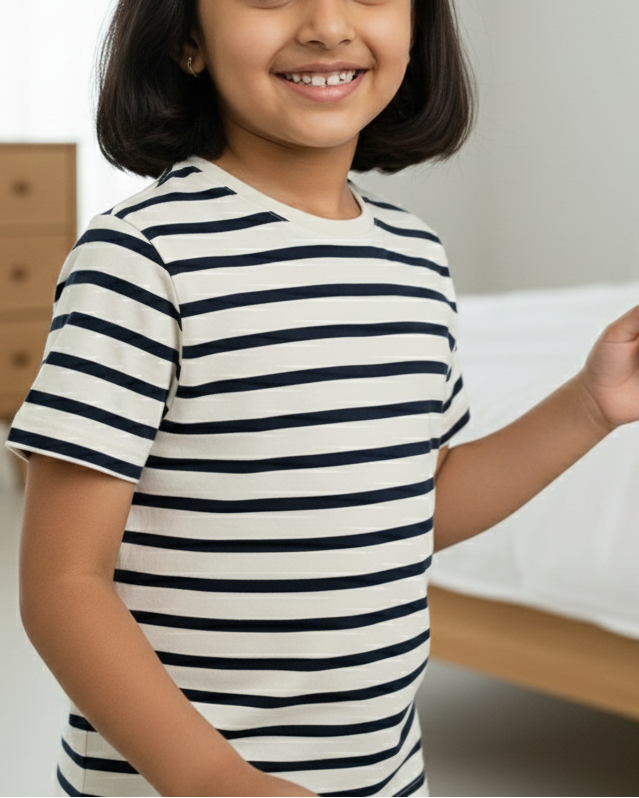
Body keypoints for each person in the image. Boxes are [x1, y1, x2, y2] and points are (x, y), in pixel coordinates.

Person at [7, 0, 639, 796]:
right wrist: (211, 779)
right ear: (188, 38)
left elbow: (414, 508)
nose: (329, 25)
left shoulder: (413, 259)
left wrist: (589, 405)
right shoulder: (140, 256)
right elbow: (63, 583)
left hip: (378, 775)